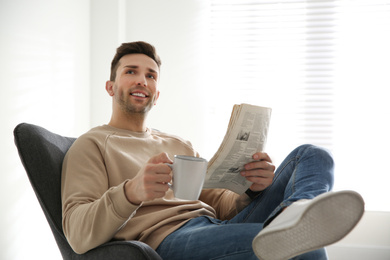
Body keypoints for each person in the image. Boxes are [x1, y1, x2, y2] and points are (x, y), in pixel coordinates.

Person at [61, 41, 364, 260]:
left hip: (215, 224)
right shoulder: (91, 145)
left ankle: (293, 211)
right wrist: (131, 192)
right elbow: (77, 234)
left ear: (157, 93)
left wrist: (251, 191)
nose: (142, 80)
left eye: (151, 75)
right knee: (305, 245)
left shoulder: (179, 144)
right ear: (110, 87)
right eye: (131, 71)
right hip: (171, 239)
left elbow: (216, 202)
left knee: (311, 154)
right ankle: (292, 226)